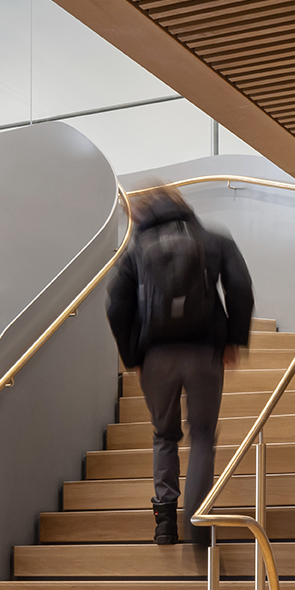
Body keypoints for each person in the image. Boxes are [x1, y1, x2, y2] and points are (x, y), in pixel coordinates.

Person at [104, 183, 255, 549]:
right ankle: (198, 522)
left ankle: (165, 523)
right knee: (202, 435)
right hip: (205, 352)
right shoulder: (212, 238)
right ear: (181, 205)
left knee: (164, 435)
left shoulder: (136, 250)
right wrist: (234, 339)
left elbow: (116, 305)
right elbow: (240, 286)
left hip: (156, 358)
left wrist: (133, 357)